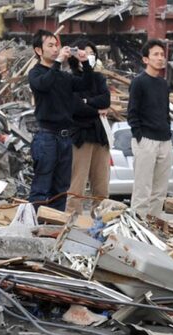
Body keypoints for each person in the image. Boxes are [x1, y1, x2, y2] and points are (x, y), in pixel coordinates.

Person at [28, 29, 92, 211]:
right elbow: (45, 84)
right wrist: (57, 63)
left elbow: (86, 84)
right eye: (50, 45)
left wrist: (85, 63)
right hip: (46, 137)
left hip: (65, 137)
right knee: (42, 187)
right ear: (38, 50)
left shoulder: (63, 76)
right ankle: (35, 227)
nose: (55, 49)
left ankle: (54, 226)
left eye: (56, 45)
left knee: (61, 189)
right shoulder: (36, 73)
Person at [127, 39, 172, 218]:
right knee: (142, 190)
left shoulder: (163, 84)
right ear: (146, 59)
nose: (160, 58)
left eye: (162, 55)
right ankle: (138, 230)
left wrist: (167, 133)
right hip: (145, 140)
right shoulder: (139, 82)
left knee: (160, 192)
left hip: (164, 141)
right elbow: (132, 113)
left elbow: (165, 112)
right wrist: (139, 136)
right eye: (156, 54)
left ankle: (153, 229)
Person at [65, 39, 111, 216]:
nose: (89, 56)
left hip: (100, 135)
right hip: (81, 135)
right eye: (85, 52)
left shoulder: (99, 78)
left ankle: (100, 221)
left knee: (101, 185)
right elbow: (76, 108)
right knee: (77, 183)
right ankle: (72, 220)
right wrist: (94, 107)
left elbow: (105, 100)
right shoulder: (71, 79)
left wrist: (87, 102)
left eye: (92, 53)